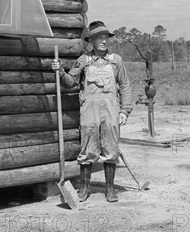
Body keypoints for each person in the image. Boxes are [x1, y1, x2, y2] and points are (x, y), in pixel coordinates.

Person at [52, 21, 132, 202]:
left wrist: (125, 111)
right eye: (99, 38)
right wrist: (60, 72)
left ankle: (110, 190)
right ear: (92, 41)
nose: (104, 41)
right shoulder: (84, 61)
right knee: (88, 149)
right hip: (89, 111)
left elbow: (125, 86)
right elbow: (69, 83)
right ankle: (84, 190)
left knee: (111, 149)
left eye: (106, 38)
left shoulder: (116, 60)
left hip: (111, 110)